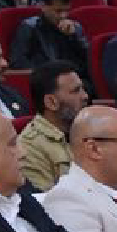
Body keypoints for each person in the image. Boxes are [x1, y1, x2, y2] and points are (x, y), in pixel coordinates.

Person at [18, 60, 86, 191]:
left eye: (83, 89)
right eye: (76, 91)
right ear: (51, 102)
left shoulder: (89, 131)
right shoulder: (30, 148)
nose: (85, 96)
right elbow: (46, 200)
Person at [10, 0, 89, 75]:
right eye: (58, 11)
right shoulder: (29, 27)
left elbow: (87, 59)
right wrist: (43, 73)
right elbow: (17, 61)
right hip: (46, 78)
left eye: (67, 10)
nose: (63, 16)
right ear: (43, 6)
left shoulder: (75, 27)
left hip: (75, 76)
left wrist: (74, 37)